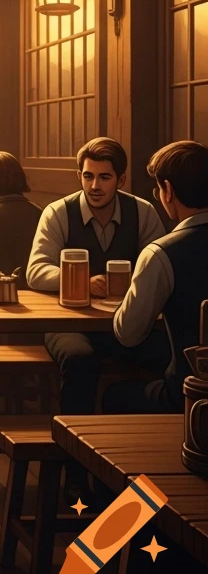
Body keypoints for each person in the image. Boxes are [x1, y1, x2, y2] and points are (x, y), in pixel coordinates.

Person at [27, 136, 168, 498]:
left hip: (127, 323)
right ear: (79, 176)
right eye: (88, 176)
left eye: (104, 177)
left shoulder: (142, 212)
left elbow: (161, 268)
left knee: (167, 354)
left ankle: (146, 466)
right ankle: (76, 471)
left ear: (120, 180)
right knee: (79, 360)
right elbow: (35, 271)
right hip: (69, 323)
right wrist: (81, 282)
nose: (94, 186)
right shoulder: (59, 212)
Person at [103, 141, 208, 414]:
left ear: (168, 191)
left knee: (113, 395)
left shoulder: (162, 253)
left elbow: (128, 334)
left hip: (188, 396)